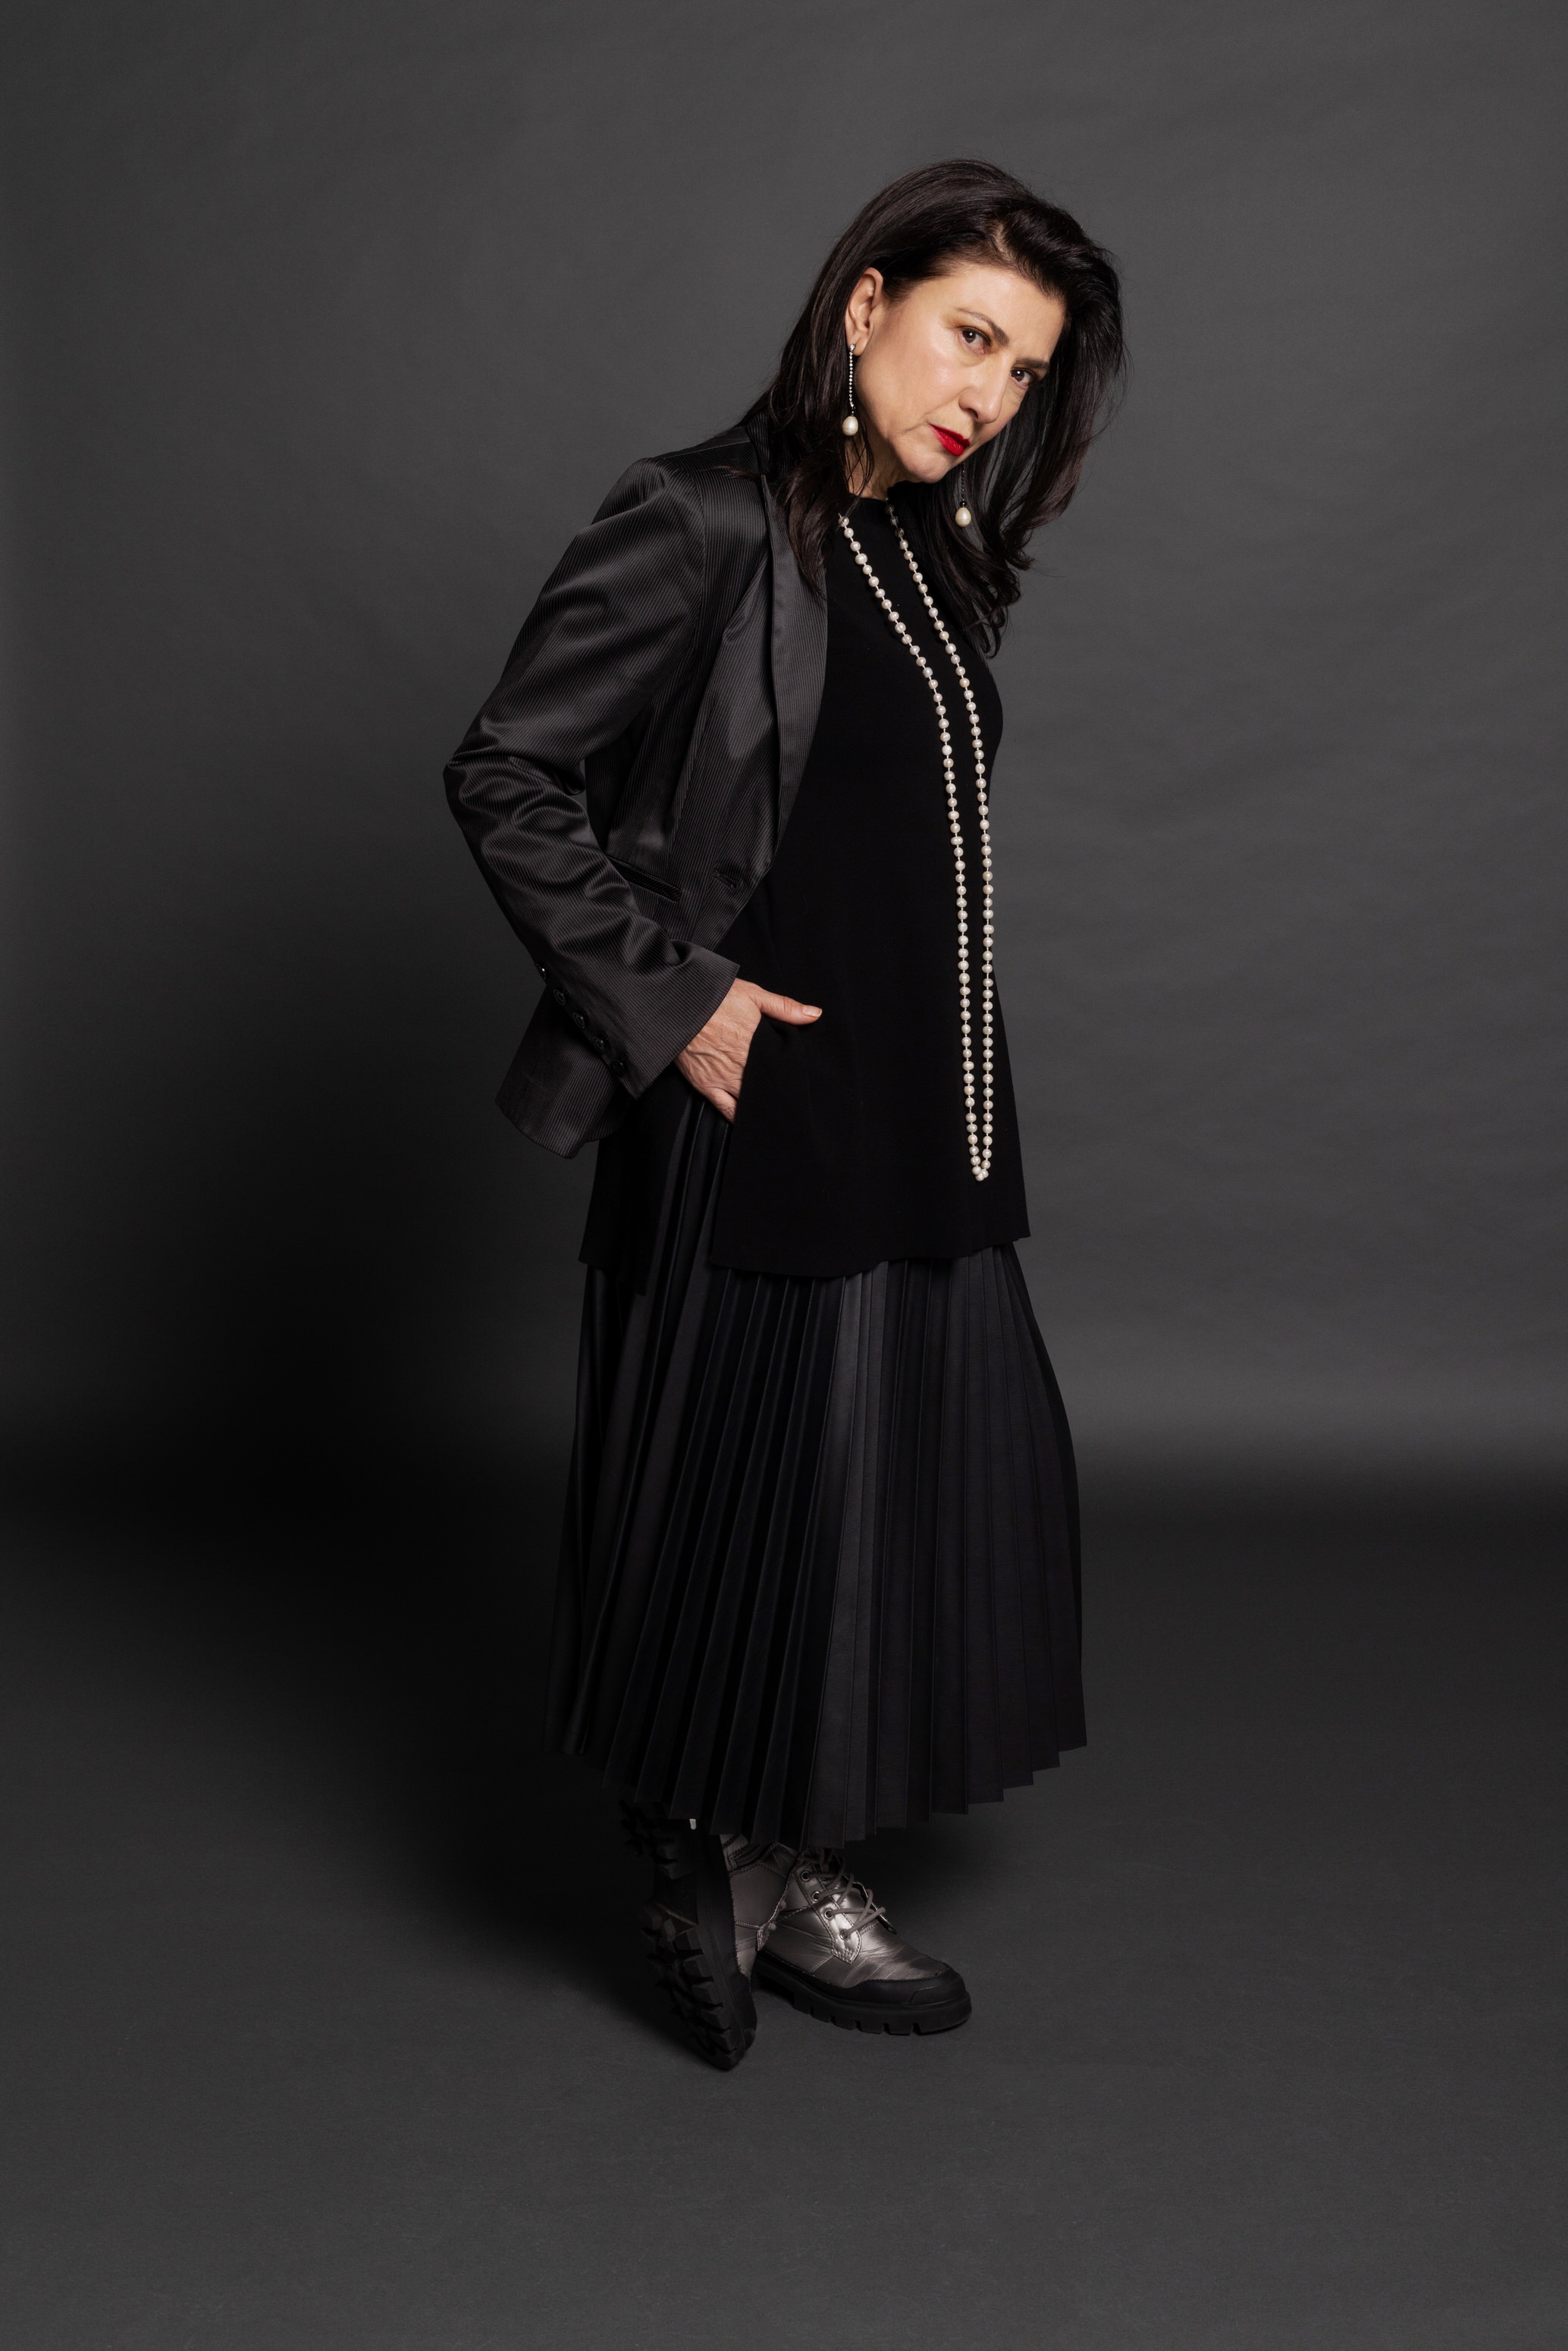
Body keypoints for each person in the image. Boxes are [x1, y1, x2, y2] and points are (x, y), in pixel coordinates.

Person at [446, 159, 1125, 2068]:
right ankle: (702, 1832)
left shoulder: (931, 549)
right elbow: (505, 770)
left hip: (922, 1095)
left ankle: (786, 1850)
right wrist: (674, 1001)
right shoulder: (701, 514)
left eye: (1021, 370)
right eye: (967, 335)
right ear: (865, 305)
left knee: (875, 1498)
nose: (985, 393)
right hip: (755, 1094)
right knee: (741, 1489)